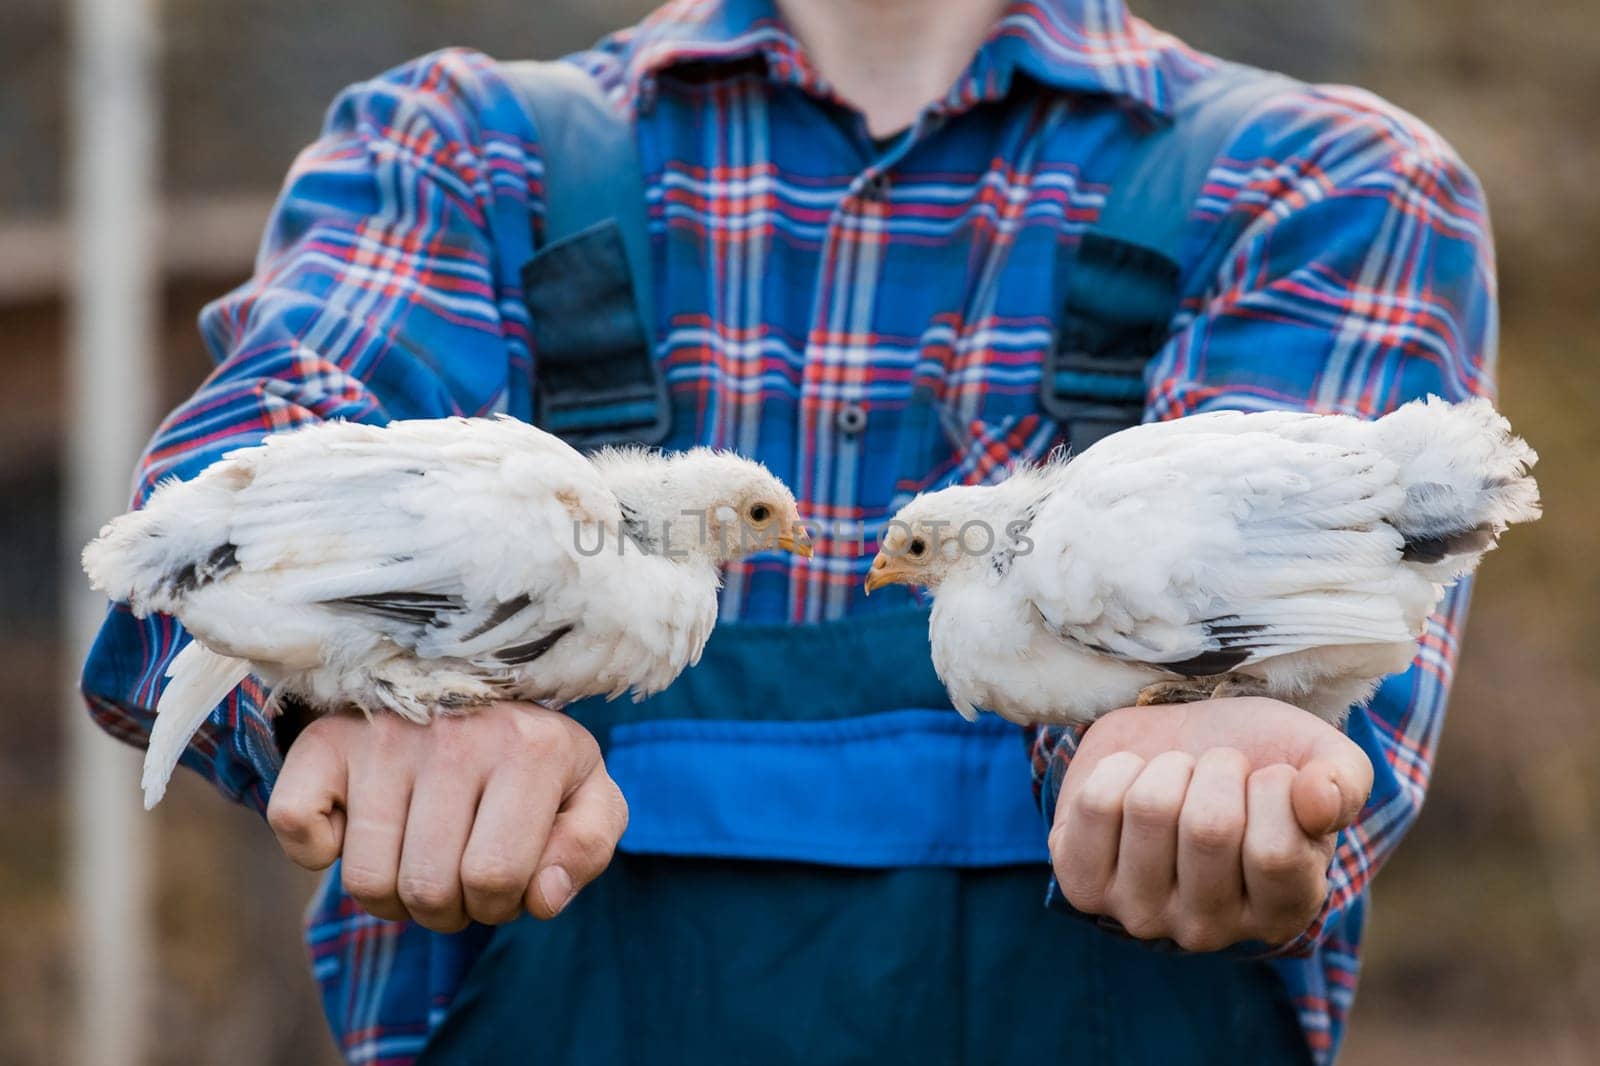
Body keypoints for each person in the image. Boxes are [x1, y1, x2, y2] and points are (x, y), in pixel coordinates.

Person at [80, 1, 1494, 1063]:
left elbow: (1299, 686)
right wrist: (364, 697)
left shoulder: (1321, 187)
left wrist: (1215, 730)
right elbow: (201, 524)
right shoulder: (457, 157)